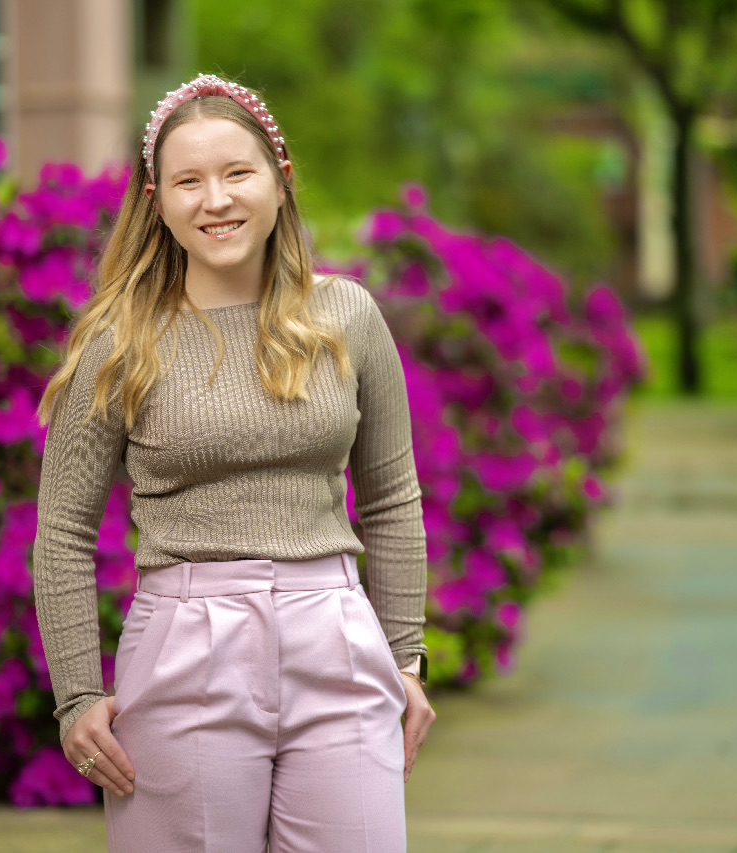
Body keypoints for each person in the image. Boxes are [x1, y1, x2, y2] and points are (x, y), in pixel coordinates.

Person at [31, 73, 436, 852]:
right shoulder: (121, 342)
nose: (215, 199)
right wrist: (78, 692)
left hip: (339, 644)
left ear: (281, 185)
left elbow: (390, 497)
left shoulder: (346, 316)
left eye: (236, 173)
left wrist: (406, 658)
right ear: (156, 201)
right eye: (189, 180)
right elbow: (63, 530)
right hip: (186, 651)